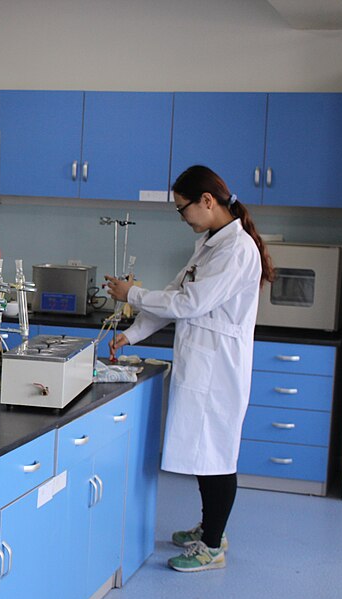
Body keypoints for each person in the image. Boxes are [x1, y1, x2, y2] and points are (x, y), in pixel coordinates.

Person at [103, 165, 275, 573]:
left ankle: (212, 546)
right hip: (202, 363)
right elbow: (176, 295)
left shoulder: (237, 250)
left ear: (207, 201)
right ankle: (211, 527)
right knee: (204, 454)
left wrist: (133, 294)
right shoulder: (211, 244)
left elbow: (190, 304)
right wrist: (133, 333)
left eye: (183, 209)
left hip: (218, 368)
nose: (182, 217)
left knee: (217, 457)